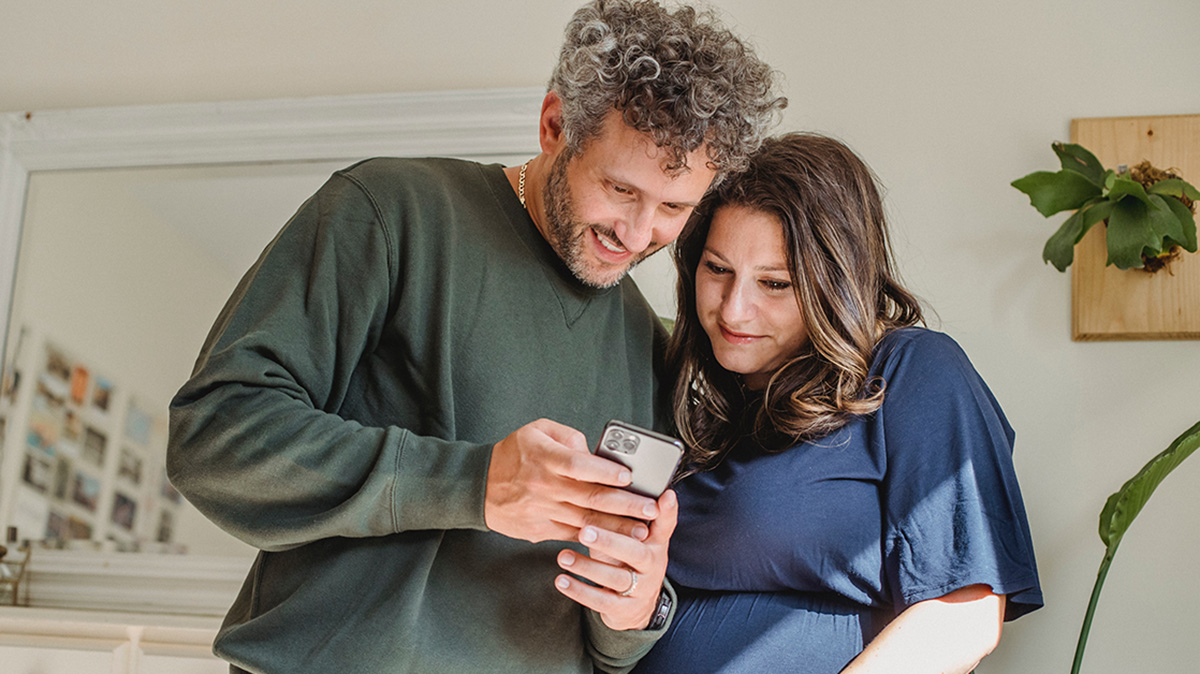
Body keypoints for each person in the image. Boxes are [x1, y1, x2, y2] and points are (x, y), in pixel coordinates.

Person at [166, 1, 784, 673]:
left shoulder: (657, 349)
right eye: (618, 189)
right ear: (554, 126)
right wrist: (474, 483)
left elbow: (612, 642)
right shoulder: (390, 212)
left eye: (672, 209)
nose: (637, 236)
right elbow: (215, 439)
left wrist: (636, 609)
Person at [631, 133, 1043, 674]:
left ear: (835, 284)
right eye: (717, 269)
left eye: (774, 284)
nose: (734, 310)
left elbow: (962, 615)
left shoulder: (910, 373)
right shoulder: (695, 404)